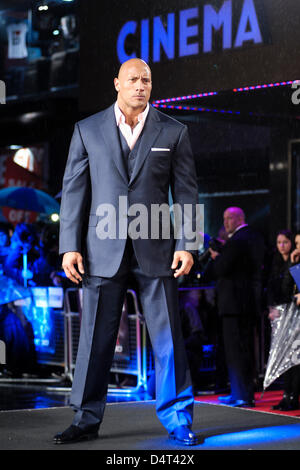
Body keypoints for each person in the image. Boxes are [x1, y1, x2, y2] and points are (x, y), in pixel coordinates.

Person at [54, 58, 200, 445]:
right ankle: (85, 419)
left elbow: (186, 192)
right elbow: (73, 192)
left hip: (157, 249)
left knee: (168, 340)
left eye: (146, 80)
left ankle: (179, 419)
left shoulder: (175, 131)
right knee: (95, 340)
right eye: (133, 79)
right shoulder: (87, 131)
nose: (140, 85)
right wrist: (69, 246)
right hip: (102, 249)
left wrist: (188, 244)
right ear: (116, 82)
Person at [209, 207, 265, 407]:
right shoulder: (252, 237)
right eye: (224, 218)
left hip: (234, 305)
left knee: (237, 351)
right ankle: (239, 392)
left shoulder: (238, 240)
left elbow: (222, 268)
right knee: (241, 350)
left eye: (230, 218)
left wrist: (217, 257)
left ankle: (241, 394)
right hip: (245, 303)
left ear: (240, 218)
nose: (226, 222)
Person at [268, 230, 300, 411]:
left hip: (295, 314)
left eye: (288, 242)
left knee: (295, 358)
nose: (297, 247)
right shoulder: (283, 262)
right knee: (287, 357)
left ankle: (293, 396)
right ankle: (287, 395)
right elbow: (282, 288)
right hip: (286, 313)